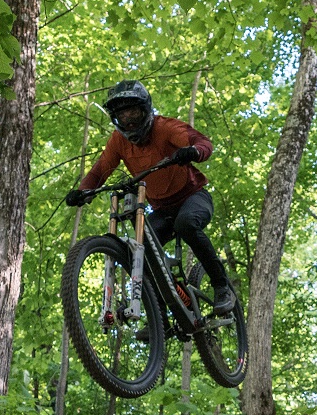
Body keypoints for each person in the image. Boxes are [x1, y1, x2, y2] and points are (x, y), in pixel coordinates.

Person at [65, 79, 237, 315]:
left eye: (133, 112)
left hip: (193, 197)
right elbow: (99, 171)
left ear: (145, 109)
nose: (129, 120)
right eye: (122, 116)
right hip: (162, 211)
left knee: (186, 224)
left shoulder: (164, 127)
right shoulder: (119, 141)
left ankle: (221, 286)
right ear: (116, 119)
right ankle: (159, 321)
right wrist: (84, 191)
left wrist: (194, 152)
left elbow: (201, 142)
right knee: (138, 249)